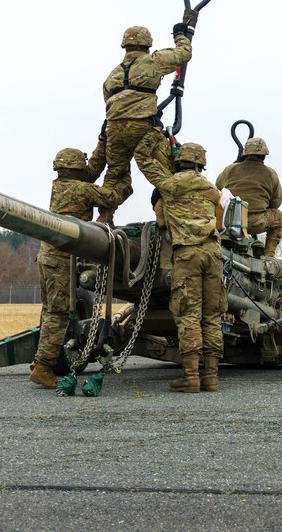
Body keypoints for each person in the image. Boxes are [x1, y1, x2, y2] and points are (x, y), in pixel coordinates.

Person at [30, 137, 130, 389]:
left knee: (49, 309)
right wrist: (125, 179)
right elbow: (111, 197)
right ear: (77, 169)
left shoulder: (61, 186)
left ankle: (41, 360)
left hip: (47, 257)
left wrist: (104, 140)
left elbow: (93, 170)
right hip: (61, 260)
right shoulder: (81, 189)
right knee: (58, 313)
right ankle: (43, 366)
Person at [97, 24, 192, 224]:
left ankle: (104, 218)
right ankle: (169, 217)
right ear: (147, 45)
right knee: (165, 168)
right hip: (143, 127)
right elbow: (183, 54)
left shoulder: (112, 75)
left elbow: (108, 100)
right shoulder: (152, 61)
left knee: (114, 174)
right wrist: (180, 35)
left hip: (114, 128)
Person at [155, 142, 225, 393]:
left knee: (189, 315)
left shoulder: (169, 187)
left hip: (187, 255)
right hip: (213, 253)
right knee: (212, 316)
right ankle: (212, 378)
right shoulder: (212, 189)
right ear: (201, 163)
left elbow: (162, 223)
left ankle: (191, 376)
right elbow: (219, 220)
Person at [214, 137, 282, 257]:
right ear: (264, 155)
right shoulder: (271, 174)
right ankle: (268, 257)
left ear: (244, 154)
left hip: (229, 220)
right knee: (277, 216)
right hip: (254, 222)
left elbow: (218, 187)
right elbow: (276, 202)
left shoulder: (230, 169)